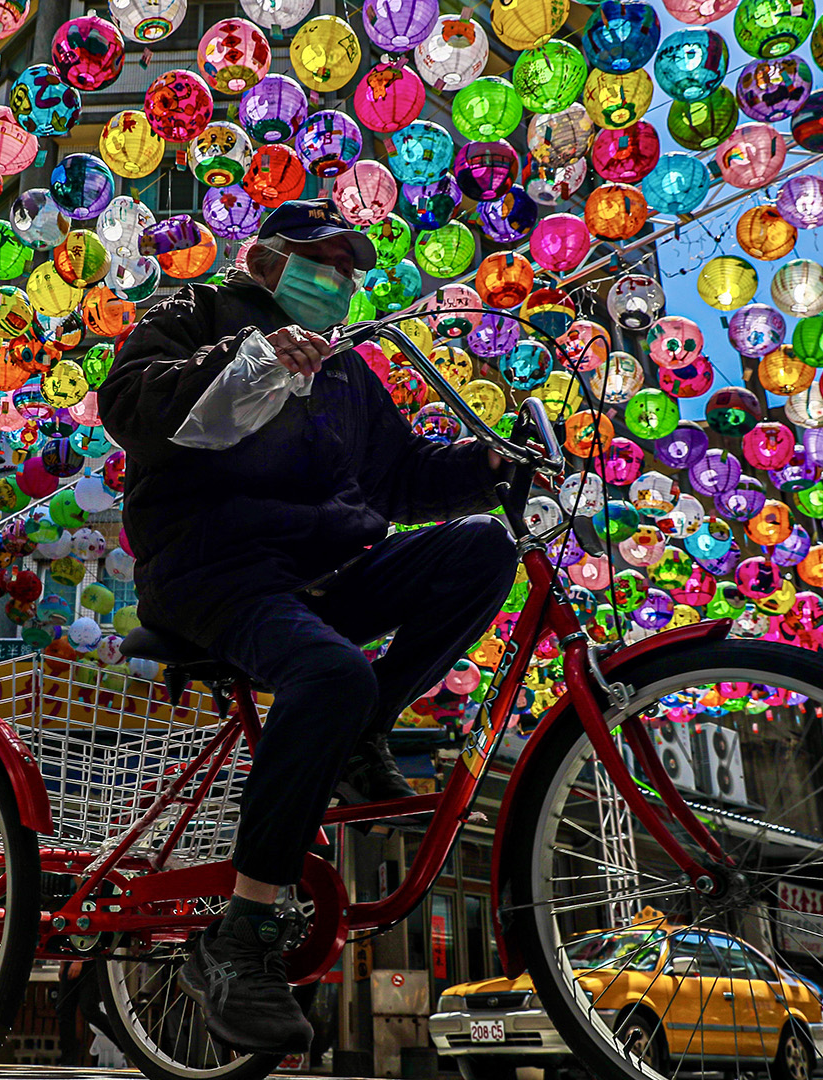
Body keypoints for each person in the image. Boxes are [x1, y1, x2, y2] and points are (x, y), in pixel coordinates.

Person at [99, 200, 518, 1055]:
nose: (338, 278)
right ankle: (242, 936)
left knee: (482, 549)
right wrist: (246, 362)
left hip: (320, 572)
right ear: (261, 261)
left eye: (348, 265)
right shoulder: (196, 310)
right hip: (211, 570)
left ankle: (361, 728)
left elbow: (401, 480)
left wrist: (488, 464)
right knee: (331, 672)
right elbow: (132, 404)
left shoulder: (347, 371)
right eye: (319, 258)